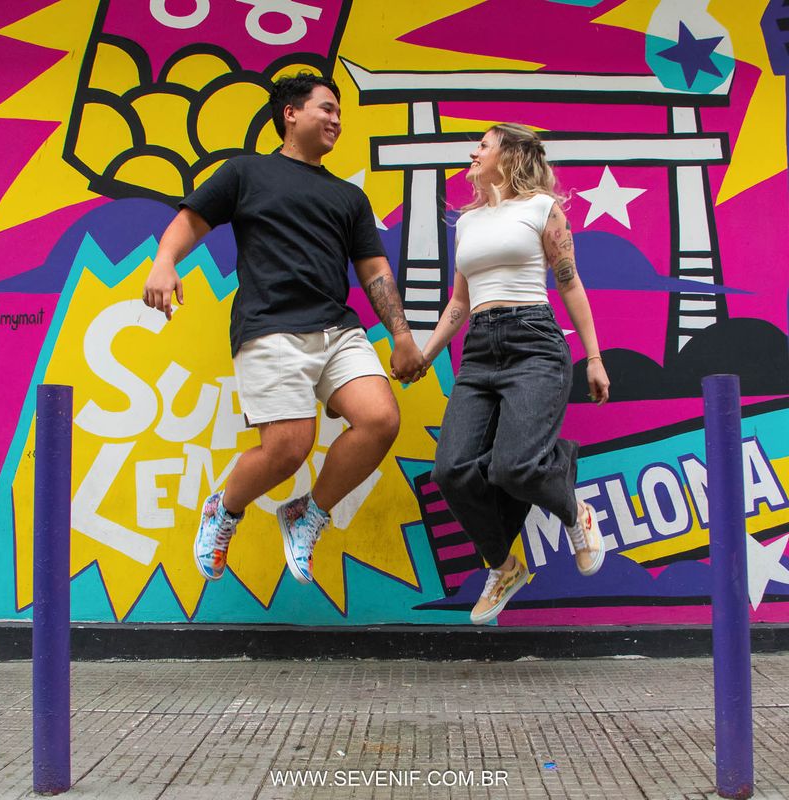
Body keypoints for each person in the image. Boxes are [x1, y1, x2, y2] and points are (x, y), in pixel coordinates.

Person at [142, 72, 425, 586]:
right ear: (290, 113)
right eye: (326, 108)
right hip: (271, 326)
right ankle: (223, 510)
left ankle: (307, 514)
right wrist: (165, 261)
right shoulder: (246, 173)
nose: (337, 119)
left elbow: (374, 271)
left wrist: (401, 335)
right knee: (288, 450)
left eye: (340, 111)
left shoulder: (348, 197)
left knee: (381, 419)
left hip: (337, 329)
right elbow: (191, 219)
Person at [422, 123, 610, 624]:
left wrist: (593, 356)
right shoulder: (467, 223)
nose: (473, 151)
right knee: (451, 470)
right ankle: (504, 566)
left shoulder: (541, 209)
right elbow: (459, 304)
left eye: (483, 144)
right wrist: (426, 354)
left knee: (513, 467)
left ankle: (574, 509)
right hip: (480, 349)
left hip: (533, 342)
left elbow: (568, 283)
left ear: (509, 153)